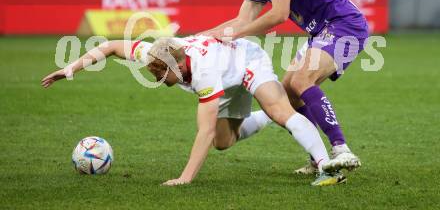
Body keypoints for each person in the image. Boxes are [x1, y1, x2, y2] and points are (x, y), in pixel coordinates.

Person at [42, 35, 348, 186]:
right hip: (227, 76)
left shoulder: (203, 73)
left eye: (160, 75)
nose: (157, 79)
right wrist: (69, 69)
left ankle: (327, 167)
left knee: (279, 108)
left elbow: (203, 129)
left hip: (246, 61)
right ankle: (265, 117)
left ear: (177, 65)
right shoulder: (157, 53)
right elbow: (109, 46)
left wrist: (185, 178)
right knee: (223, 142)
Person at [200, 0, 368, 174]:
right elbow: (242, 20)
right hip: (321, 32)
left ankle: (341, 149)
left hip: (344, 25)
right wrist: (198, 39)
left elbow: (278, 15)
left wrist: (236, 34)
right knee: (287, 91)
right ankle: (317, 159)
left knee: (301, 81)